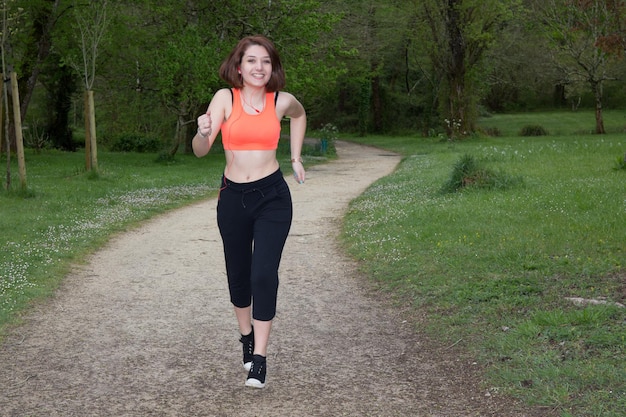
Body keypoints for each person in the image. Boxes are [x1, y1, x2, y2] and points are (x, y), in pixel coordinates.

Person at [193, 35, 306, 389]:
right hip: (233, 197)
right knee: (239, 275)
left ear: (273, 68)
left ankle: (259, 358)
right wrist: (202, 131)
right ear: (238, 66)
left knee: (263, 275)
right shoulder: (225, 99)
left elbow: (301, 116)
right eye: (252, 61)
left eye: (266, 62)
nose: (259, 68)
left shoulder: (281, 102)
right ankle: (245, 334)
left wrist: (295, 156)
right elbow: (200, 150)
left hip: (272, 196)